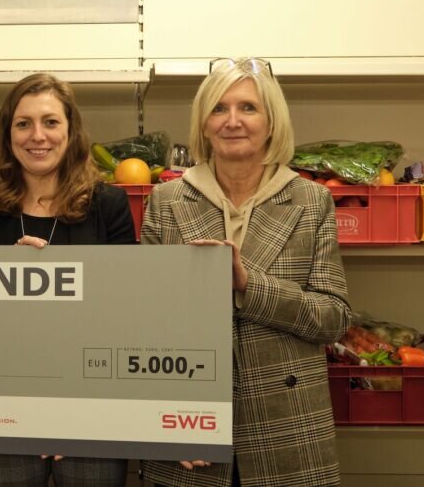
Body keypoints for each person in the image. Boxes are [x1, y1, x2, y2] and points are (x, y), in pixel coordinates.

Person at [139, 58, 351, 487]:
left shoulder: (311, 201)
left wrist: (249, 285)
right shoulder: (166, 200)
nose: (232, 121)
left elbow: (334, 318)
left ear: (272, 122)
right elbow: (145, 325)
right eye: (219, 108)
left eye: (248, 108)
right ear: (204, 124)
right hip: (191, 429)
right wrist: (165, 417)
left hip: (287, 427)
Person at [0, 72, 136, 486]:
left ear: (71, 132)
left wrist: (70, 410)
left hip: (93, 409)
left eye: (51, 122)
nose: (38, 136)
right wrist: (4, 282)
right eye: (24, 123)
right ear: (8, 133)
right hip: (4, 408)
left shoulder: (108, 204)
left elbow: (126, 312)